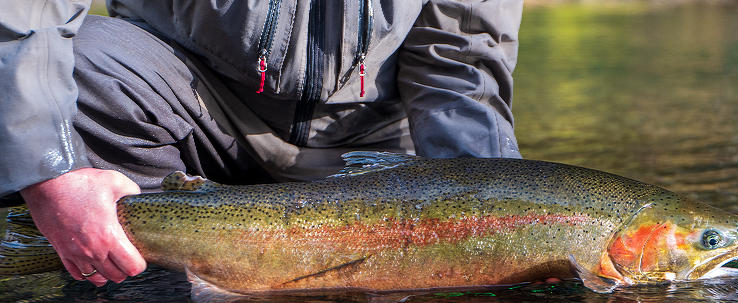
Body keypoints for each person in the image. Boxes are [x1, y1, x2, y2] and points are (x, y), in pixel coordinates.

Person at [0, 0, 523, 287]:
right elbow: (28, 18)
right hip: (192, 109)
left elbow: (462, 66)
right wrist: (51, 171)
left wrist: (503, 232)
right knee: (81, 70)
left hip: (371, 143)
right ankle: (138, 279)